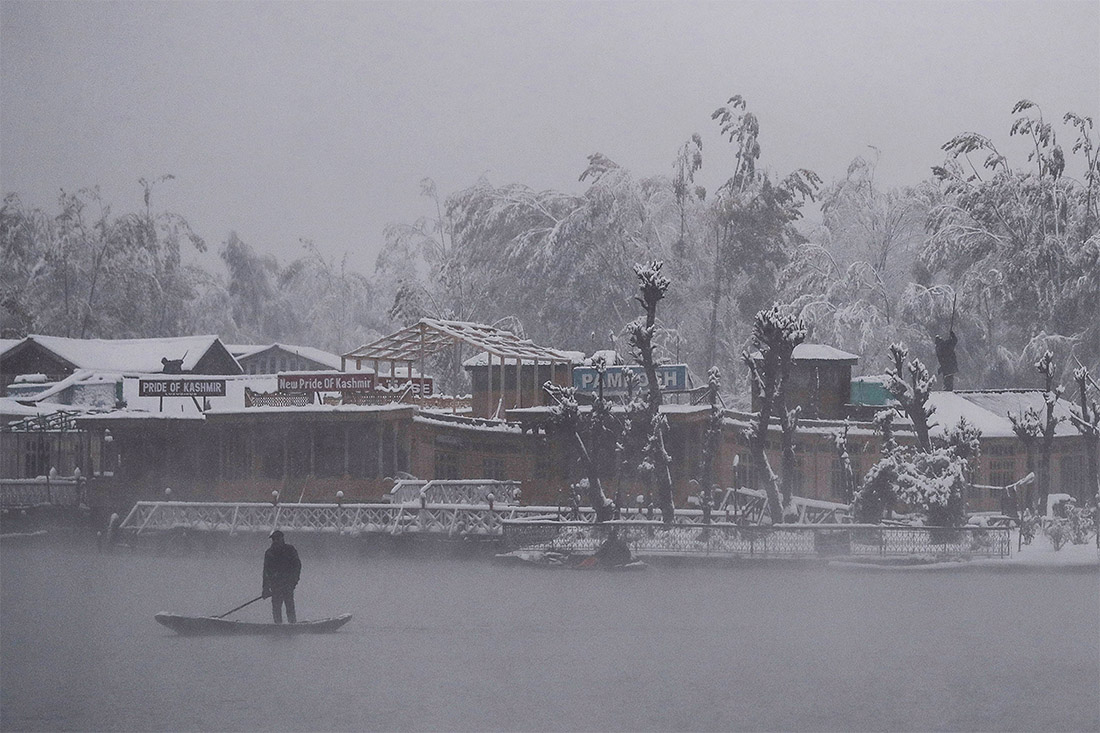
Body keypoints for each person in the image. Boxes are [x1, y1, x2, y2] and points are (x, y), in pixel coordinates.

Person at [262, 530, 301, 624]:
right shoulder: (269, 553)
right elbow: (266, 572)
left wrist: (294, 581)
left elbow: (297, 566)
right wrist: (265, 589)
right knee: (276, 609)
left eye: (277, 539)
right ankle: (278, 627)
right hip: (275, 586)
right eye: (273, 539)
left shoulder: (290, 550)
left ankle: (292, 625)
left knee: (290, 607)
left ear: (282, 539)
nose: (275, 541)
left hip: (288, 584)